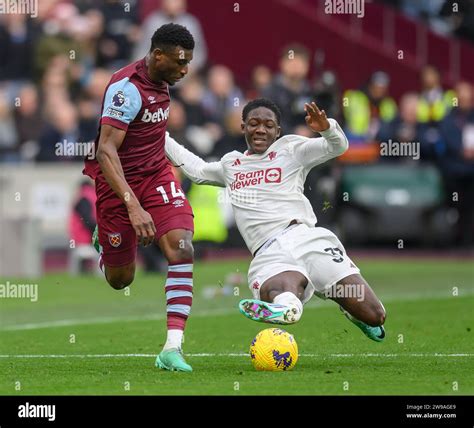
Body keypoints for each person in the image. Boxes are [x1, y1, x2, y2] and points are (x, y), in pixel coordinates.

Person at [164, 98, 386, 341]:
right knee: (283, 289)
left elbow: (337, 147)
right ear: (243, 128)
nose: (260, 129)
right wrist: (159, 135)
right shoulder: (231, 164)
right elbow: (196, 170)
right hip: (269, 251)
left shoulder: (292, 149)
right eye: (253, 123)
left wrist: (326, 127)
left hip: (308, 239)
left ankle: (346, 308)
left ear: (278, 131)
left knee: (375, 315)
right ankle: (288, 307)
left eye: (268, 125)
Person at [83, 23, 196, 372]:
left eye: (188, 62)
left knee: (181, 247)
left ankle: (172, 348)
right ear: (157, 55)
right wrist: (133, 206)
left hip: (156, 175)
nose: (185, 70)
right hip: (117, 184)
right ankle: (107, 239)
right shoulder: (127, 90)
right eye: (179, 62)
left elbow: (151, 134)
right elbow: (105, 151)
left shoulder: (163, 80)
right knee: (121, 280)